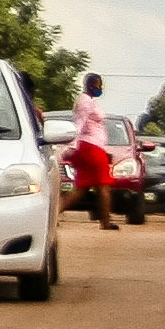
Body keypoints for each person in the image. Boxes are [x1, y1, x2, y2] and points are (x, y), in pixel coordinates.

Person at [67, 72, 120, 231]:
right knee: (103, 186)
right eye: (98, 85)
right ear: (90, 85)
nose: (100, 88)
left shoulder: (87, 101)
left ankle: (55, 213)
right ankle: (106, 221)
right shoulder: (85, 102)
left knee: (81, 189)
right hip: (91, 147)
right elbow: (79, 124)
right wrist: (72, 145)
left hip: (92, 147)